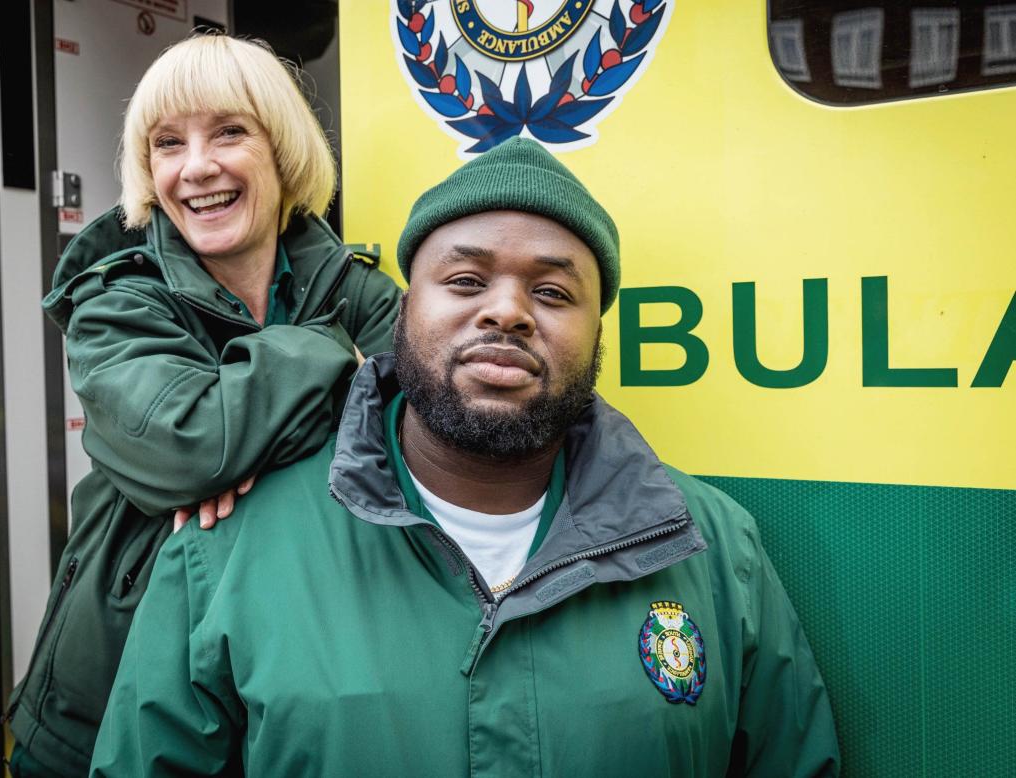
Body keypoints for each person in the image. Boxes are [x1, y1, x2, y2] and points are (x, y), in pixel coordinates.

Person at [90, 138, 841, 777]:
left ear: (596, 333)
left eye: (551, 291)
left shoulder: (712, 549)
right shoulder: (227, 553)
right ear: (403, 309)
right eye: (464, 281)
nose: (507, 311)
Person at [5, 35, 401, 776]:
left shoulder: (357, 288)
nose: (196, 167)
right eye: (166, 144)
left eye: (228, 131)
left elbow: (411, 439)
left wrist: (251, 423)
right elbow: (188, 446)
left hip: (302, 691)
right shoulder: (114, 300)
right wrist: (329, 359)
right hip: (106, 711)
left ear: (282, 149)